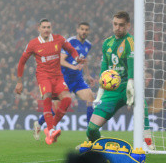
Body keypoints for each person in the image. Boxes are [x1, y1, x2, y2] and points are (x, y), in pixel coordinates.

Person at [87, 11, 154, 150]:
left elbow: (131, 63)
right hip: (112, 90)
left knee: (142, 107)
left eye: (121, 25)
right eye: (115, 24)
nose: (117, 28)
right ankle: (99, 145)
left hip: (129, 86)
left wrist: (131, 81)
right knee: (91, 129)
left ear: (128, 25)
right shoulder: (107, 43)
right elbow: (104, 67)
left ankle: (148, 142)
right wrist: (101, 88)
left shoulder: (131, 41)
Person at [15, 18, 82, 145]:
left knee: (67, 100)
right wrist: (19, 81)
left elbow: (71, 50)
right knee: (47, 97)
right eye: (44, 27)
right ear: (39, 29)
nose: (46, 29)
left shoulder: (59, 39)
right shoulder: (33, 44)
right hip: (43, 76)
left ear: (51, 28)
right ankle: (51, 130)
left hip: (58, 77)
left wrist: (77, 58)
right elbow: (22, 62)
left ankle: (49, 127)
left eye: (48, 27)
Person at [34, 22, 95, 140]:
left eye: (86, 30)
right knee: (56, 109)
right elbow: (61, 60)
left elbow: (83, 60)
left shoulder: (88, 44)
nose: (84, 31)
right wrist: (74, 67)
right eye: (82, 29)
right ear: (77, 30)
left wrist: (88, 76)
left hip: (77, 79)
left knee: (90, 98)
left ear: (89, 31)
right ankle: (40, 123)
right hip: (63, 78)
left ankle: (90, 134)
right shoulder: (70, 42)